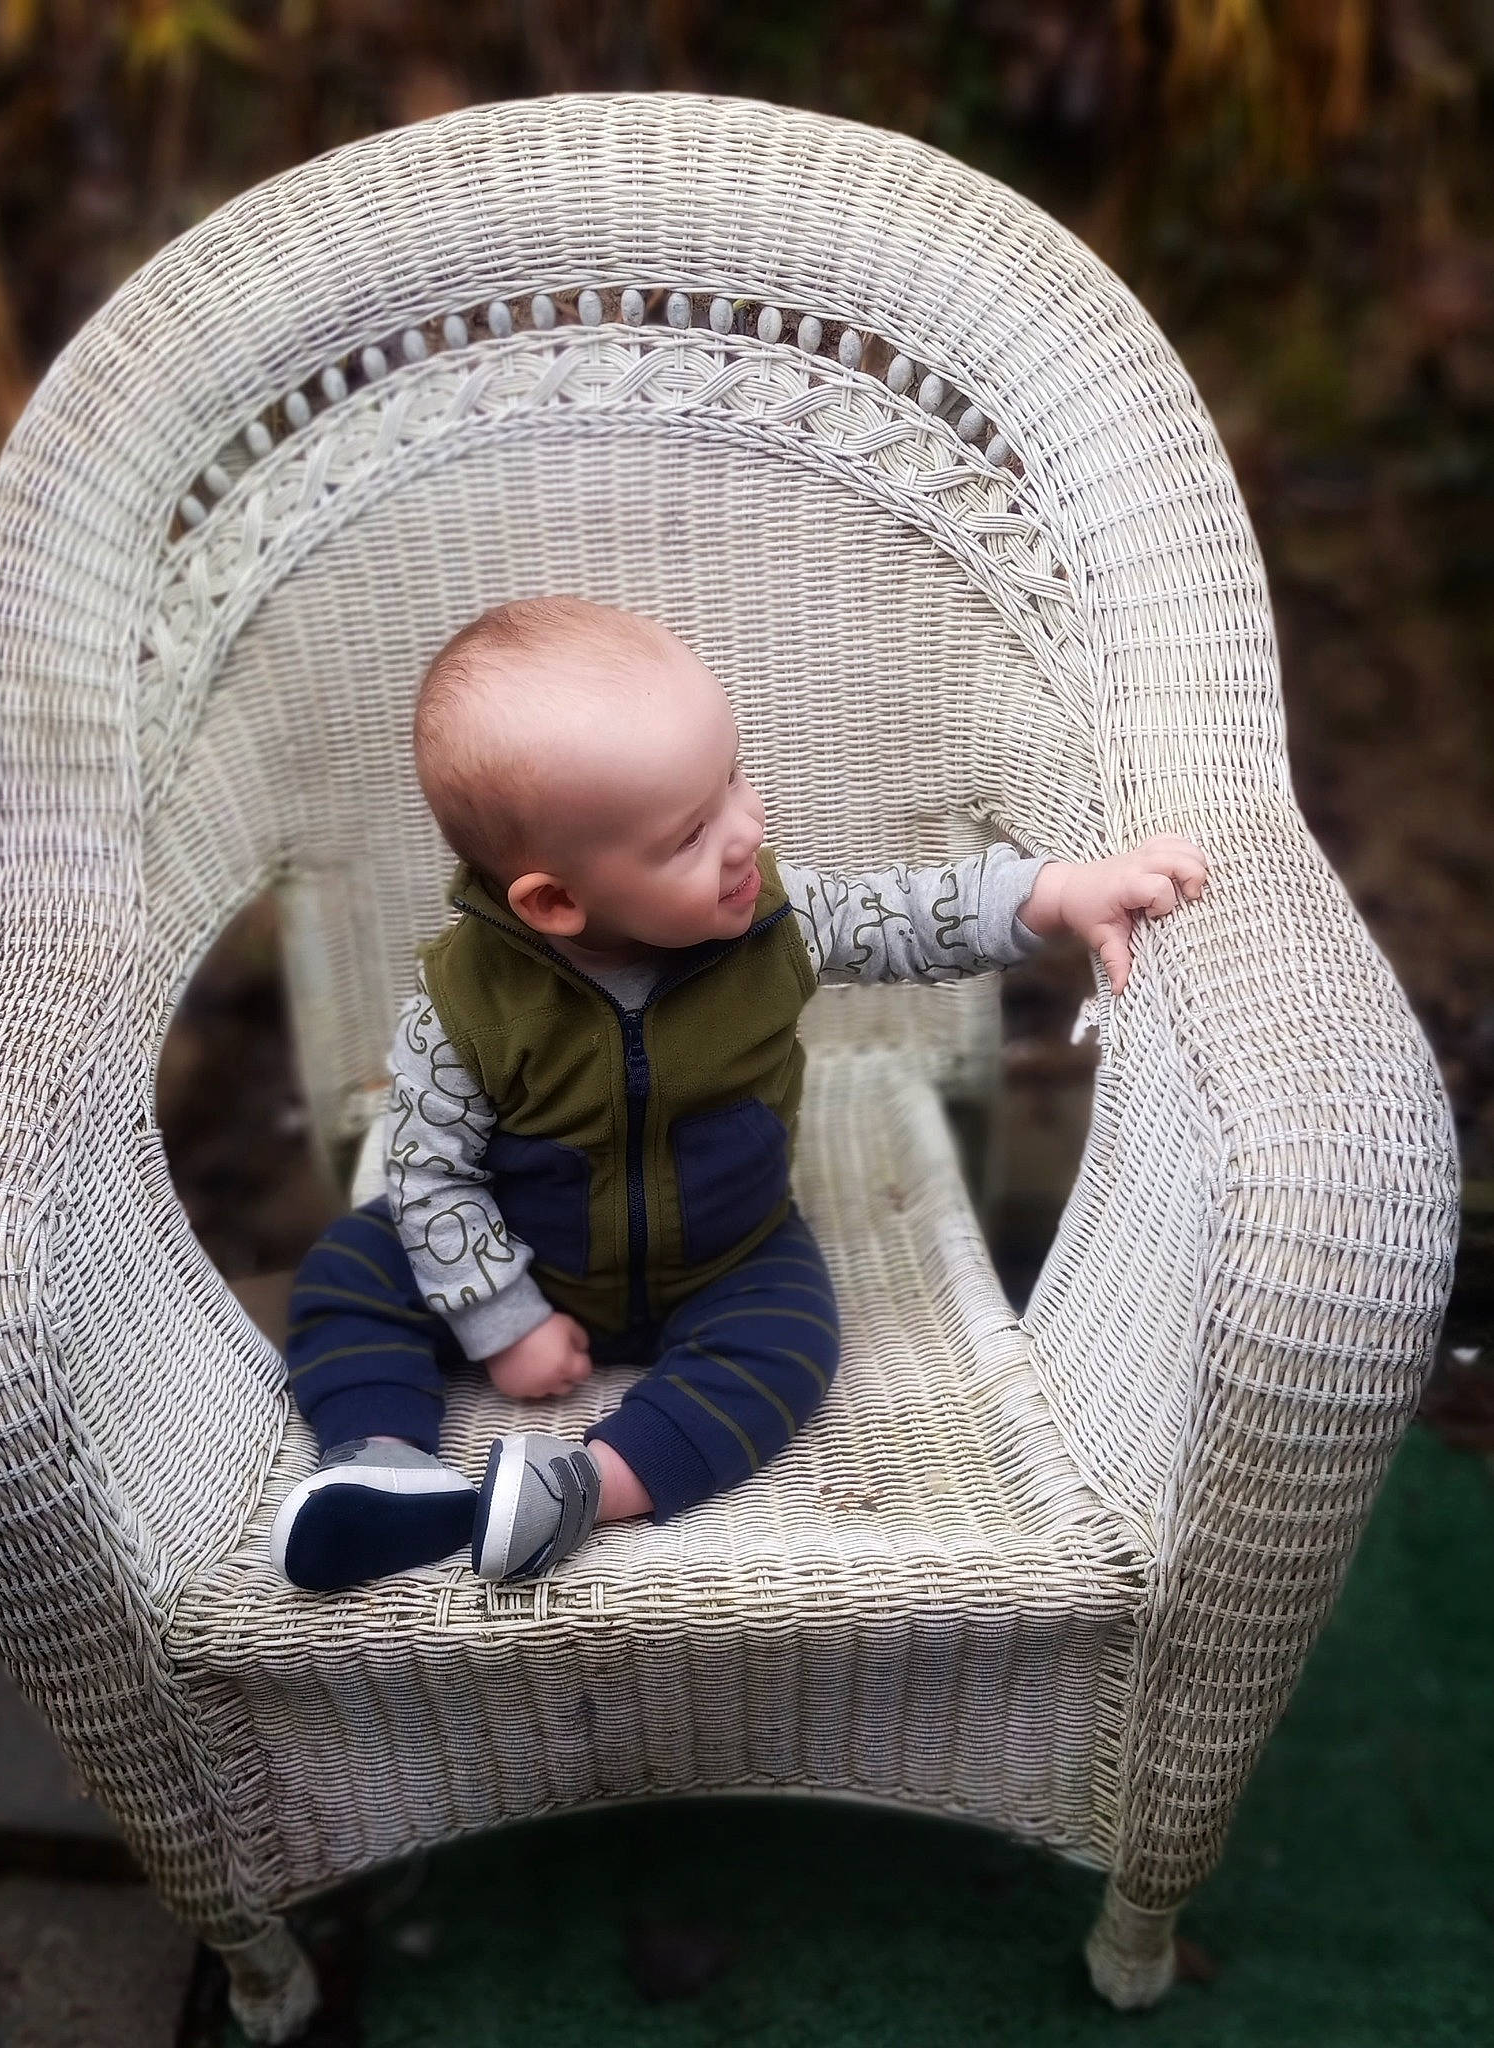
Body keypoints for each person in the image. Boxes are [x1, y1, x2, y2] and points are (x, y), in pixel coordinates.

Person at [269, 596, 1208, 1591]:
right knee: (351, 1264)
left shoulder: (775, 918)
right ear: (554, 900)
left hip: (728, 1254)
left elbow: (914, 917)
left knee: (793, 1340)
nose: (746, 829)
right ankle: (381, 1459)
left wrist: (1063, 893)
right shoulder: (465, 1004)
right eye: (689, 834)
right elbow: (429, 1169)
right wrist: (501, 1317)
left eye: (733, 778)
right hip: (525, 1249)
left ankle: (584, 1483)